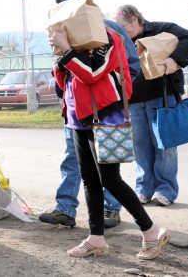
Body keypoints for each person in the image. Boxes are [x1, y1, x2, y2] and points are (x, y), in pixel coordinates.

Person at [47, 15, 170, 260]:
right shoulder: (76, 42)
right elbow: (64, 82)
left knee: (110, 180)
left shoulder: (106, 36)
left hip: (103, 117)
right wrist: (63, 56)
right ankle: (96, 238)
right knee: (89, 180)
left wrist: (68, 51)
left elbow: (92, 73)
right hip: (78, 119)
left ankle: (151, 231)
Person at [39, 0, 141, 229]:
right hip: (75, 111)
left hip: (102, 111)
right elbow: (67, 71)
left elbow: (129, 67)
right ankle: (65, 209)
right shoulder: (68, 31)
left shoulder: (108, 29)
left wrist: (113, 96)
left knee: (106, 169)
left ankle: (113, 211)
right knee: (74, 162)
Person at [114, 5, 188, 206]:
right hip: (133, 101)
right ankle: (144, 188)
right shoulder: (120, 39)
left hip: (162, 96)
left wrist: (174, 58)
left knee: (164, 144)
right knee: (140, 145)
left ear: (134, 18)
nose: (121, 32)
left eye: (123, 27)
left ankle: (165, 190)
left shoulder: (162, 29)